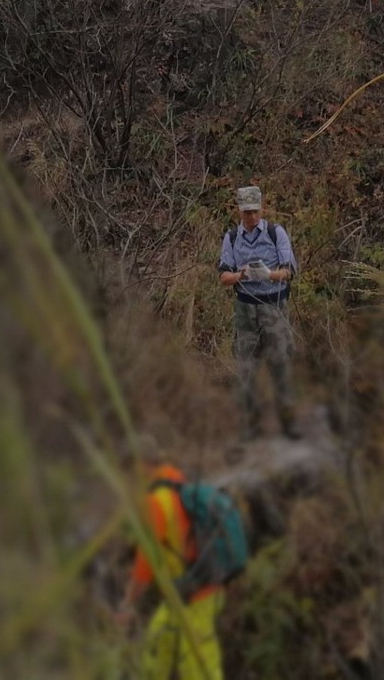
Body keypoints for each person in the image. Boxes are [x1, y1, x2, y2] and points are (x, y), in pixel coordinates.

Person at [120, 460, 225, 680]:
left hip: (196, 595)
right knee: (158, 641)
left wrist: (126, 605)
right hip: (187, 590)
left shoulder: (156, 501)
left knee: (198, 667)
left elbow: (144, 566)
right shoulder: (179, 481)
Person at [218, 184, 299, 440]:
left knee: (280, 365)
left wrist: (270, 274)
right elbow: (223, 276)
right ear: (239, 212)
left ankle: (288, 425)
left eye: (254, 211)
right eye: (246, 212)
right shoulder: (232, 237)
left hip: (273, 304)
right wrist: (240, 274)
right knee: (247, 368)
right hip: (245, 308)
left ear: (261, 209)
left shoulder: (276, 233)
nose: (251, 217)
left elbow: (290, 272)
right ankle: (251, 427)